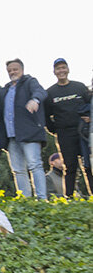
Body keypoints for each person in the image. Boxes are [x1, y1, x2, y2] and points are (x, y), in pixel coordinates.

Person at [0, 59, 47, 199]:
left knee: (35, 165)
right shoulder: (5, 89)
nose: (12, 72)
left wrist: (35, 100)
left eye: (15, 69)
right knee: (18, 170)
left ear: (22, 69)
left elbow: (41, 92)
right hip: (11, 136)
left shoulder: (30, 82)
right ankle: (25, 200)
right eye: (10, 70)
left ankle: (42, 200)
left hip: (29, 132)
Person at [45, 57, 92, 197]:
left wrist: (90, 119)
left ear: (68, 69)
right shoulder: (50, 93)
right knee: (70, 167)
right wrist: (56, 129)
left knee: (88, 166)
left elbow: (90, 105)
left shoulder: (79, 87)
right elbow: (46, 116)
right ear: (54, 71)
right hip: (65, 134)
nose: (61, 71)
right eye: (58, 68)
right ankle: (69, 198)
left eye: (63, 67)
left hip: (83, 133)